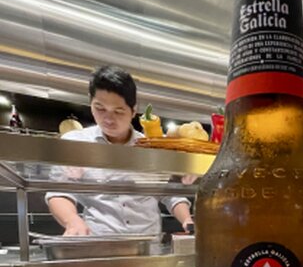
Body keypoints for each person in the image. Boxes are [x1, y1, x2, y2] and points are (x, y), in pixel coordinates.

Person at [46, 65, 193, 236]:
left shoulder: (151, 148)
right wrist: (72, 221)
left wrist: (186, 219)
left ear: (133, 110)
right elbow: (59, 192)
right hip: (100, 242)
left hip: (147, 243)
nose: (108, 119)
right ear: (90, 102)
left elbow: (169, 193)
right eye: (100, 108)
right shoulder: (76, 143)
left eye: (118, 111)